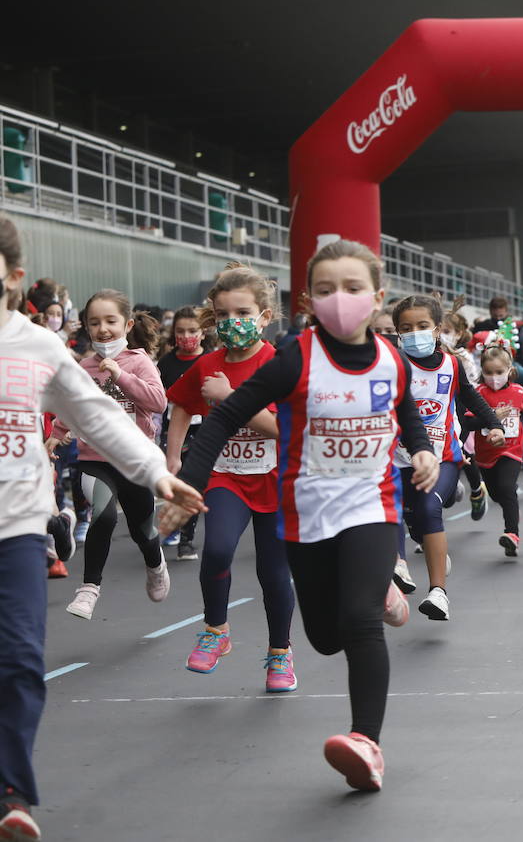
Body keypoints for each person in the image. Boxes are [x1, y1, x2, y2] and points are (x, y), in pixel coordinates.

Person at [162, 239, 437, 793]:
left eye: (354, 288)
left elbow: (406, 410)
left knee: (360, 623)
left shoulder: (391, 357)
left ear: (376, 297)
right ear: (309, 301)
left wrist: (424, 447)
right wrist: (184, 483)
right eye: (328, 289)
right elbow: (221, 418)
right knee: (326, 637)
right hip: (305, 513)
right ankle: (358, 598)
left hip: (371, 505)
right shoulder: (295, 358)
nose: (342, 299)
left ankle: (366, 742)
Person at [0, 217, 203, 841]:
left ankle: (12, 795)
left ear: (11, 278)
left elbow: (93, 414)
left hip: (15, 528)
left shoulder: (35, 345)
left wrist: (155, 470)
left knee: (19, 661)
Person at [164, 264, 298, 690]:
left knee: (273, 573)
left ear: (263, 315)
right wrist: (173, 459)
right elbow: (183, 405)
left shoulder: (278, 365)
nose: (230, 323)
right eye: (222, 315)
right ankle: (215, 631)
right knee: (218, 550)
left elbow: (282, 429)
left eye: (242, 312)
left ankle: (280, 655)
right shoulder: (208, 364)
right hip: (226, 475)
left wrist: (231, 399)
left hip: (275, 478)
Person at [49, 289, 171, 620]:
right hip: (94, 458)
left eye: (110, 321)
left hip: (134, 460)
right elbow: (72, 406)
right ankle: (89, 589)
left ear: (127, 324)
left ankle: (154, 562)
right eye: (94, 323)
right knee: (103, 515)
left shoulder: (139, 361)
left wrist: (120, 374)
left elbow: (157, 402)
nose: (103, 329)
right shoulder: (85, 367)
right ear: (86, 327)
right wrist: (56, 435)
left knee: (142, 529)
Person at [393, 295, 502, 620]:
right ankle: (400, 565)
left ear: (438, 329)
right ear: (397, 333)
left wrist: (494, 424)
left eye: (422, 326)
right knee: (397, 512)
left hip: (443, 457)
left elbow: (470, 397)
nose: (415, 333)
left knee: (428, 509)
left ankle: (438, 592)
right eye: (406, 328)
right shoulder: (394, 365)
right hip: (397, 459)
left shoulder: (451, 365)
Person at [471, 343, 523, 557]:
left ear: (509, 370)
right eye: (489, 372)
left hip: (511, 449)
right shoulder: (477, 393)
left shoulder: (518, 391)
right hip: (485, 452)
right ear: (482, 371)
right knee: (496, 493)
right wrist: (490, 418)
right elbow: (467, 420)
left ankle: (512, 533)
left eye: (499, 372)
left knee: (507, 487)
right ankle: (512, 511)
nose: (494, 377)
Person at [157, 305, 207, 561]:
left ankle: (187, 538)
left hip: (205, 428)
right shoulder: (166, 363)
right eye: (180, 331)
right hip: (175, 431)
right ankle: (178, 530)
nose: (186, 336)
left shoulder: (209, 360)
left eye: (192, 330)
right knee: (179, 480)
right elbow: (158, 401)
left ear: (203, 333)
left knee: (196, 483)